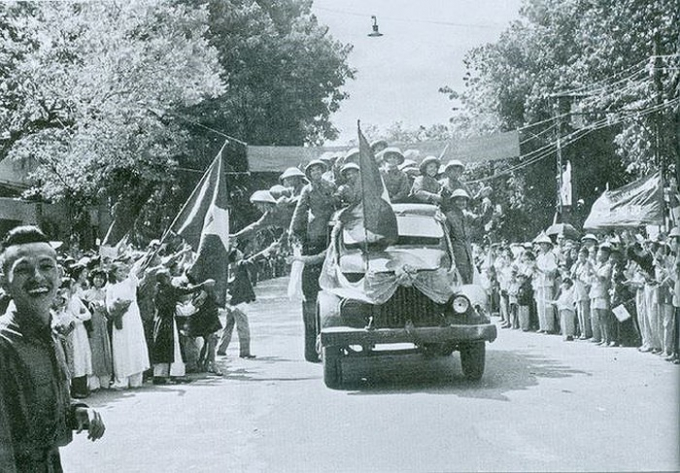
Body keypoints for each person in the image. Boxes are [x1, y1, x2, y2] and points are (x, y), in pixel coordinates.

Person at [0, 225, 105, 471]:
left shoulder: (50, 333)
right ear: (5, 281)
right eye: (23, 269)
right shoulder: (4, 343)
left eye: (46, 266)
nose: (38, 277)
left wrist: (75, 410)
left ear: (58, 274)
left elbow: (34, 399)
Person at [289, 159, 338, 362]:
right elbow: (300, 211)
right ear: (308, 174)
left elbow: (339, 201)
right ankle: (311, 350)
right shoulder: (307, 191)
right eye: (313, 170)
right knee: (311, 298)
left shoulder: (330, 186)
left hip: (333, 229)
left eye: (319, 169)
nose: (316, 172)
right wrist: (294, 232)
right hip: (315, 235)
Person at [106, 258, 150, 388]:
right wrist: (115, 305)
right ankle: (122, 380)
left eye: (123, 270)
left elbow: (134, 275)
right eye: (119, 270)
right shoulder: (110, 286)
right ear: (113, 272)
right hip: (120, 318)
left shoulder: (130, 281)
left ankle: (136, 379)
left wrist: (129, 268)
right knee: (121, 347)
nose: (122, 272)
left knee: (135, 345)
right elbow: (108, 304)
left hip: (132, 318)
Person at [442, 189, 480, 285]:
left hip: (467, 249)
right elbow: (446, 237)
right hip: (455, 249)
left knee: (470, 272)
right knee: (460, 274)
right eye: (458, 200)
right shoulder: (449, 216)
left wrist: (488, 206)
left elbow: (480, 221)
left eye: (464, 200)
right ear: (453, 201)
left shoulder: (467, 215)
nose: (461, 203)